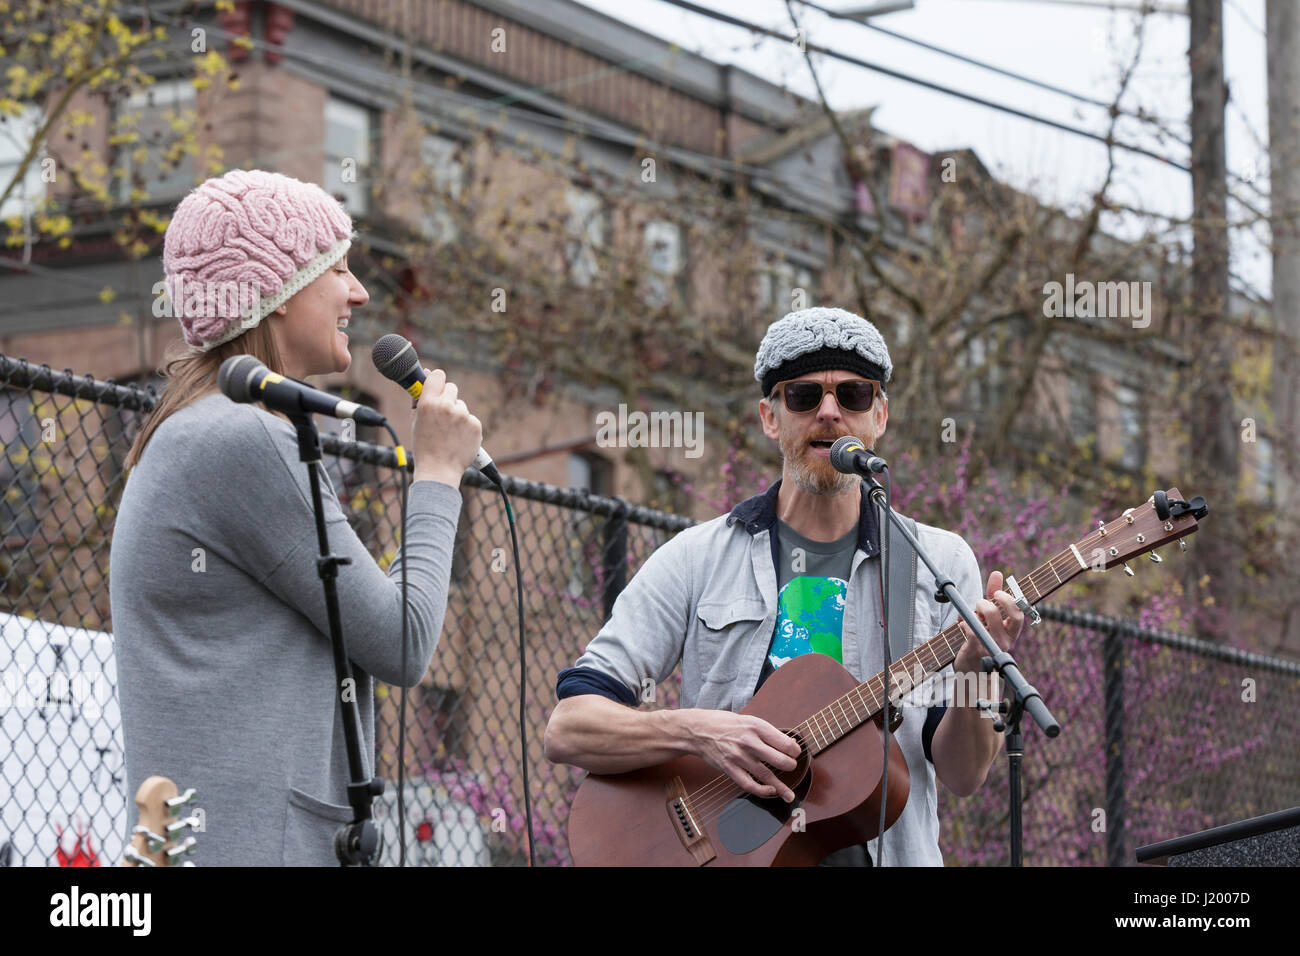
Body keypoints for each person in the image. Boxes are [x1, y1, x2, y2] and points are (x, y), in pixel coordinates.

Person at [544, 307, 1025, 866]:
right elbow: (569, 728)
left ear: (881, 416)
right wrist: (700, 733)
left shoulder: (936, 563)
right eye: (802, 396)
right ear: (770, 417)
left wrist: (976, 668)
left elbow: (965, 775)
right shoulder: (695, 558)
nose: (829, 412)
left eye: (853, 395)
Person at [109, 169, 483, 865]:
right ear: (274, 295)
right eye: (337, 267)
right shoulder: (242, 438)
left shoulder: (196, 431)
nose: (359, 291)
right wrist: (437, 474)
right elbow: (402, 641)